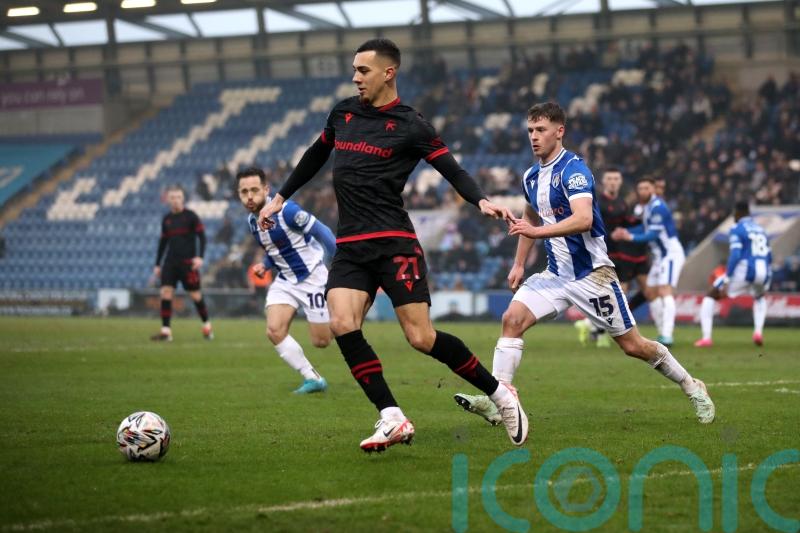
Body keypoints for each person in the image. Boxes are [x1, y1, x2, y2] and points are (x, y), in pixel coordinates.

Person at [258, 38, 525, 452]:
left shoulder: (411, 124)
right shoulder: (342, 113)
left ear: (389, 72)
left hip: (394, 242)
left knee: (420, 338)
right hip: (351, 245)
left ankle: (500, 395)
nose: (355, 77)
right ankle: (392, 416)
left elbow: (451, 168)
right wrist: (279, 198)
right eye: (354, 70)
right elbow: (315, 154)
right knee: (342, 323)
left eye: (362, 70)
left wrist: (482, 200)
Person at [453, 102, 714, 430]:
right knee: (512, 319)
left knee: (634, 346)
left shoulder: (574, 171)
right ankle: (499, 400)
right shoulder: (531, 176)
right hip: (555, 275)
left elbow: (583, 218)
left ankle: (692, 386)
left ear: (559, 132)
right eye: (530, 131)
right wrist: (519, 263)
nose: (534, 137)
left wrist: (536, 232)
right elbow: (531, 217)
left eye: (541, 130)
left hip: (593, 276)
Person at [238, 167, 335, 394]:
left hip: (313, 278)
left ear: (266, 189)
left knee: (322, 341)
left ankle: (346, 311)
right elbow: (275, 248)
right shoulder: (252, 221)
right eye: (244, 192)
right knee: (274, 329)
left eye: (254, 190)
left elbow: (325, 234)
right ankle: (313, 378)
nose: (249, 196)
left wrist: (341, 265)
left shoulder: (287, 211)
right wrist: (266, 264)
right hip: (285, 281)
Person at [575, 167, 650, 348]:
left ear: (620, 181)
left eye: (616, 178)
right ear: (604, 181)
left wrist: (637, 224)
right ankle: (597, 331)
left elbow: (624, 223)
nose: (613, 182)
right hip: (601, 253)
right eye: (610, 178)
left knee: (619, 293)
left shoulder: (622, 203)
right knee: (608, 294)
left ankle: (591, 326)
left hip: (619, 254)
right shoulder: (597, 202)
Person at [612, 177, 685, 347]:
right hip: (660, 256)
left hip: (670, 254)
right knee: (650, 292)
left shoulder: (658, 207)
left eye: (646, 188)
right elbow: (645, 228)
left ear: (652, 189)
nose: (642, 191)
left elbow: (653, 234)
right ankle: (661, 331)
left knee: (665, 290)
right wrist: (625, 231)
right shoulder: (648, 208)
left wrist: (629, 237)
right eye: (640, 188)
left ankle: (667, 335)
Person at [695, 202, 772, 347]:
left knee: (710, 295)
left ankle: (706, 338)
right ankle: (758, 332)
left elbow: (735, 254)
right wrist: (768, 275)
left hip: (745, 270)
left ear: (737, 213)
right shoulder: (761, 230)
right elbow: (769, 255)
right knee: (760, 297)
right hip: (764, 271)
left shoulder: (737, 228)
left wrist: (728, 278)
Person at [152, 185, 212, 341]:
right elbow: (163, 242)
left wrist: (200, 257)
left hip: (188, 264)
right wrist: (158, 264)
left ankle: (206, 324)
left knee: (196, 296)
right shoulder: (167, 219)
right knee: (165, 292)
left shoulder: (191, 216)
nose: (175, 200)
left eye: (178, 197)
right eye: (172, 197)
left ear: (183, 198)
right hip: (170, 263)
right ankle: (166, 331)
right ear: (168, 200)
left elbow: (202, 237)